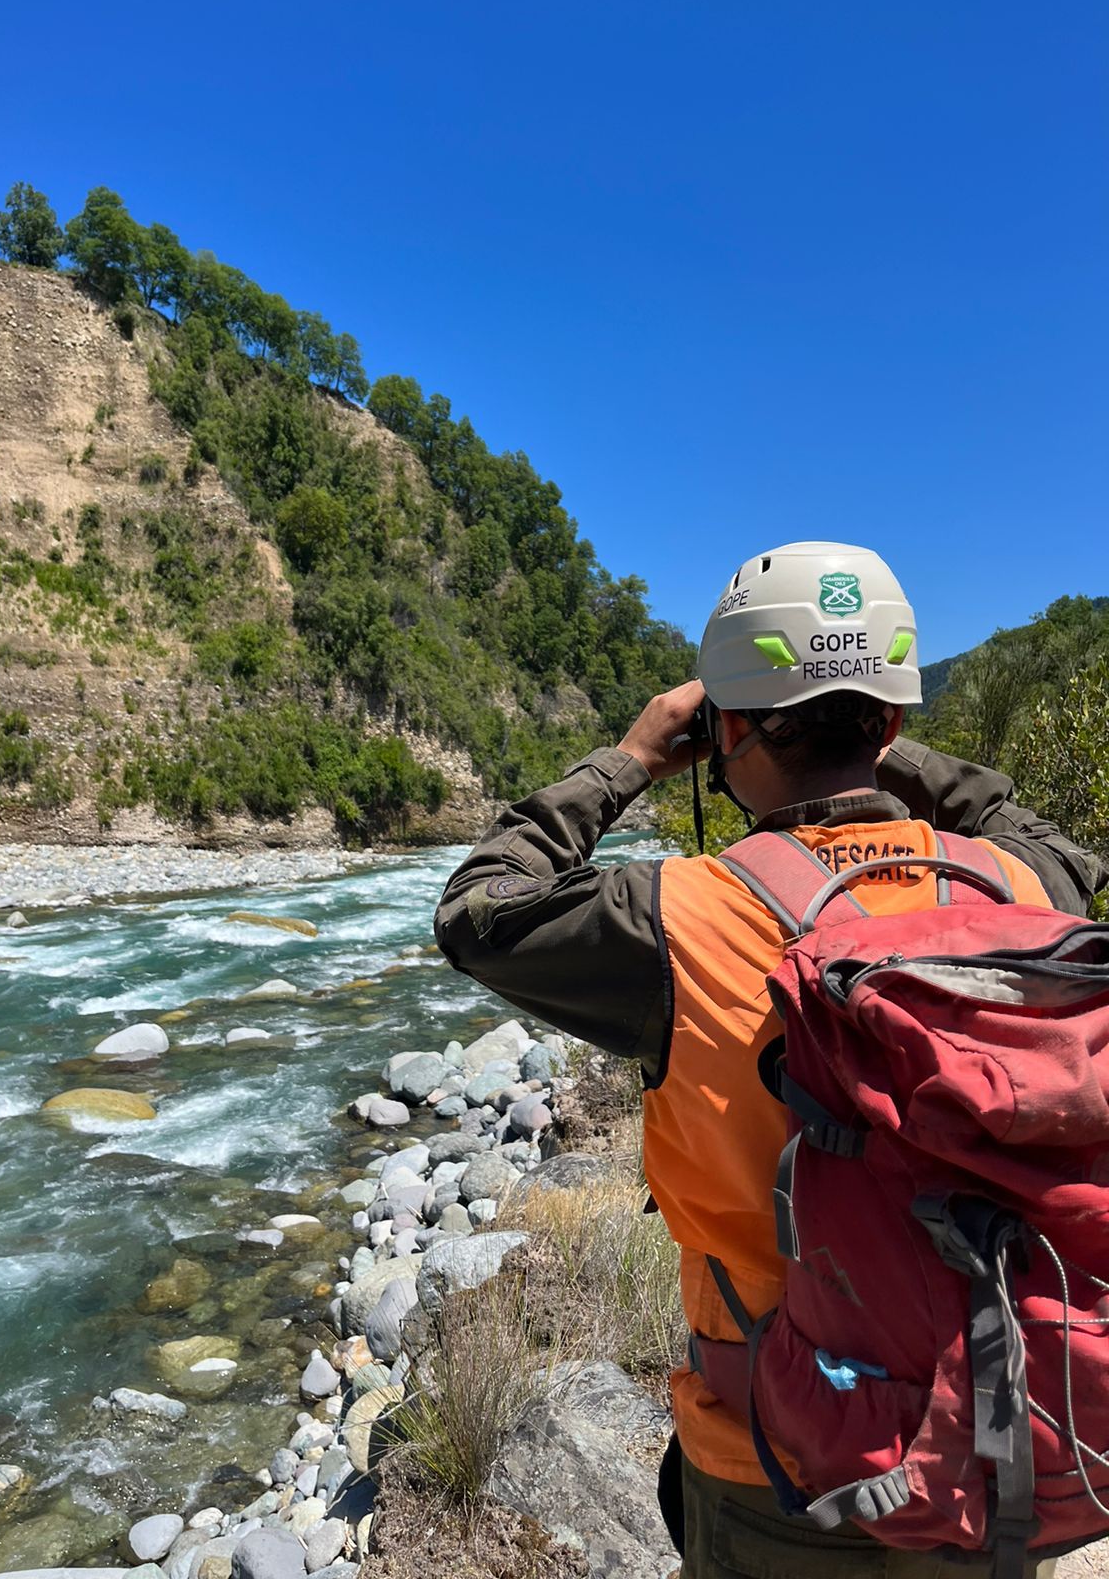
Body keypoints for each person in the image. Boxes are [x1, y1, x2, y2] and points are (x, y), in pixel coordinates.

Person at [434, 541, 1107, 1579]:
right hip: (993, 1427)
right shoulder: (1022, 886)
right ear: (889, 723)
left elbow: (480, 909)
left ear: (725, 728)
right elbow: (1044, 834)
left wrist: (631, 759)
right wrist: (889, 740)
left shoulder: (675, 915)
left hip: (774, 1456)